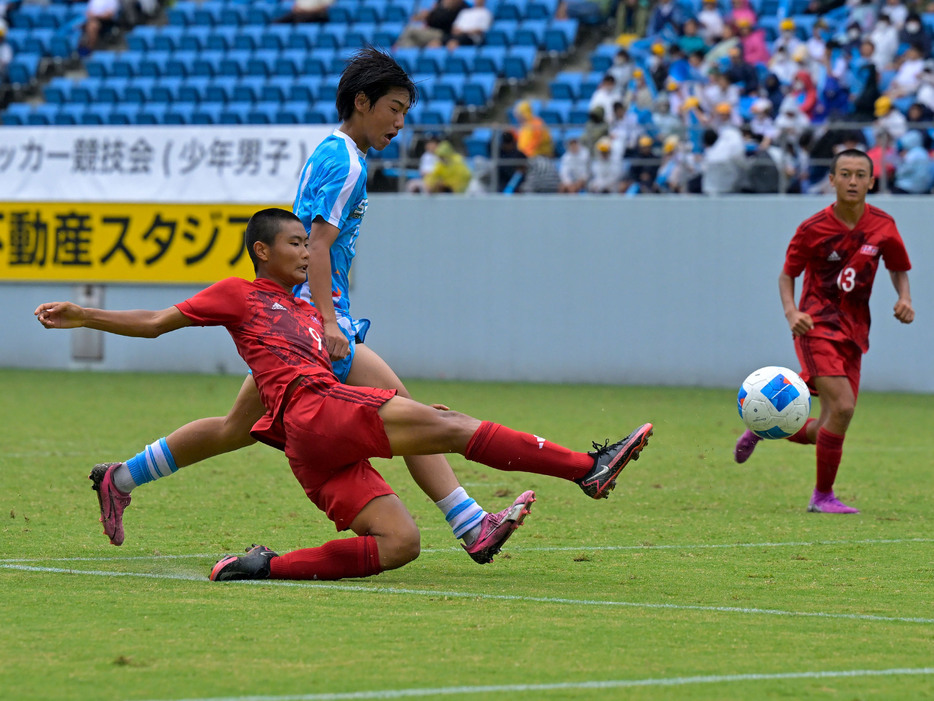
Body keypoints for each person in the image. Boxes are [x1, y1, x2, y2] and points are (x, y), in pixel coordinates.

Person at [35, 208, 655, 582]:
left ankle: (260, 567)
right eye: (296, 244)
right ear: (262, 252)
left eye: (309, 244)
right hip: (317, 414)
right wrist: (83, 315)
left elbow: (246, 415)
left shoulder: (306, 317)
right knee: (455, 428)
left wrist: (386, 389)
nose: (307, 253)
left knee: (400, 545)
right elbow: (155, 322)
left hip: (311, 445)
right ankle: (586, 469)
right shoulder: (238, 295)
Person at [81, 47, 527, 567]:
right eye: (394, 108)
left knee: (234, 428)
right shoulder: (345, 163)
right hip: (311, 324)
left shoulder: (335, 152)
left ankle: (121, 477)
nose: (400, 123)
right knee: (412, 413)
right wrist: (329, 322)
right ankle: (471, 522)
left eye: (405, 112)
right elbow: (316, 244)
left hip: (294, 321)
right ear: (362, 102)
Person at [734, 149, 914, 514]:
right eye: (844, 174)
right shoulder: (813, 228)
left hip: (855, 331)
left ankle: (764, 427)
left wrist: (904, 297)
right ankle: (822, 497)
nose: (852, 181)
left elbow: (897, 266)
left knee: (828, 425)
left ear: (871, 181)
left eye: (860, 174)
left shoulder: (883, 225)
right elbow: (788, 274)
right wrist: (791, 312)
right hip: (815, 325)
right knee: (845, 408)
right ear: (831, 180)